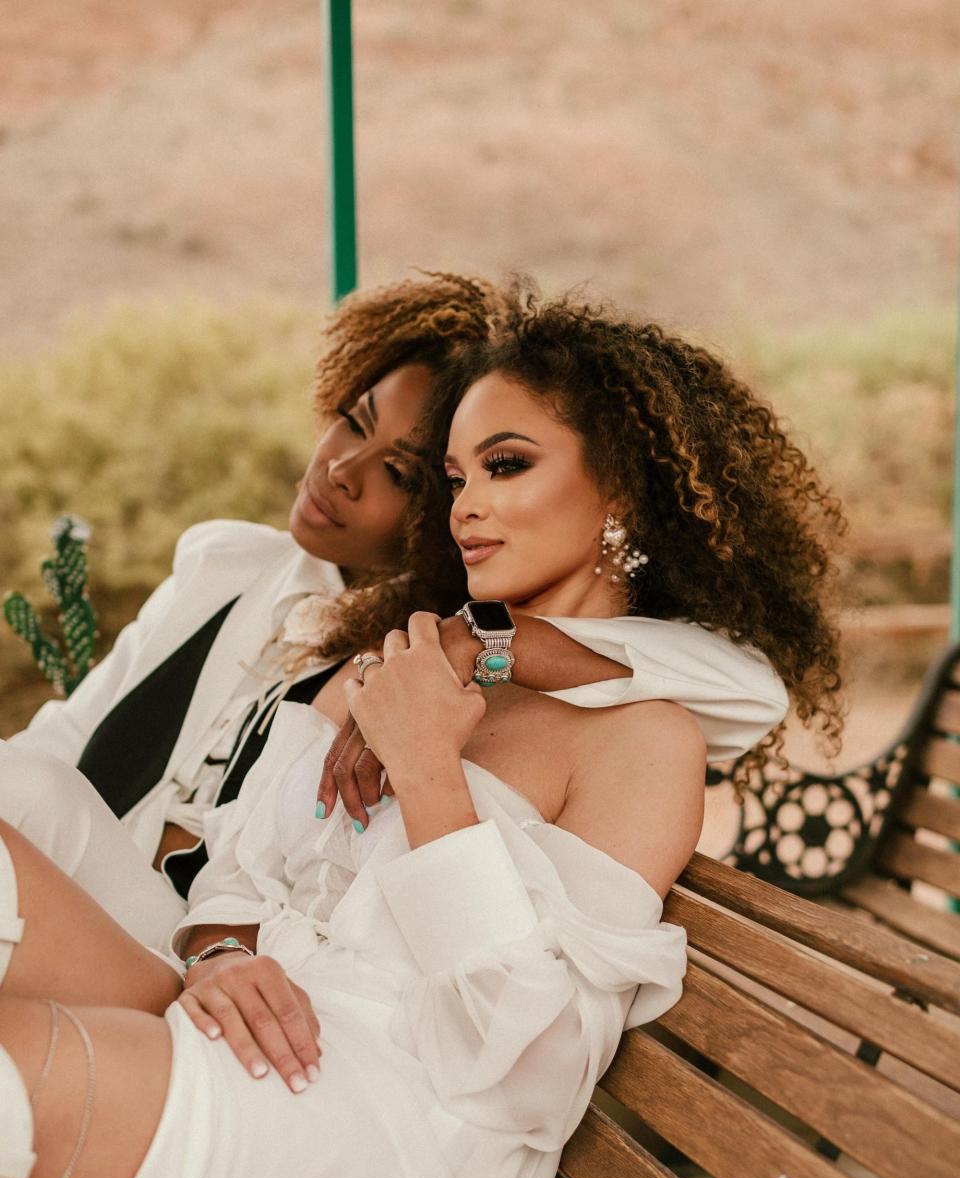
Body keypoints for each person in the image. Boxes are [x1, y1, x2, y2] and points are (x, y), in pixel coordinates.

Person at [0, 291, 843, 1178]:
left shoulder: (644, 739)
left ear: (624, 491)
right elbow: (239, 876)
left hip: (378, 1135)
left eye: (505, 464)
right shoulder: (399, 672)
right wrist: (223, 950)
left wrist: (433, 777)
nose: (470, 506)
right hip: (260, 1029)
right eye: (453, 480)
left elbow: (530, 1074)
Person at [0, 273, 787, 950]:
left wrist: (488, 638)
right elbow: (69, 737)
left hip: (201, 941)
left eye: (406, 476)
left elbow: (743, 687)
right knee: (30, 782)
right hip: (115, 896)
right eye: (353, 421)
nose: (342, 469)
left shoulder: (432, 638)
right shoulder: (229, 565)